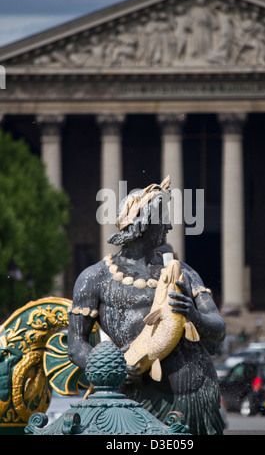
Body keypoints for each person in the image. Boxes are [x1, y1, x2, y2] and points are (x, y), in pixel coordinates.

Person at [68, 176, 226, 435]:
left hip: (196, 398)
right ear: (143, 223)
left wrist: (194, 316)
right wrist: (111, 371)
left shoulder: (182, 272)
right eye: (163, 218)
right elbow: (75, 345)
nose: (170, 226)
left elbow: (218, 328)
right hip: (137, 403)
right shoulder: (96, 278)